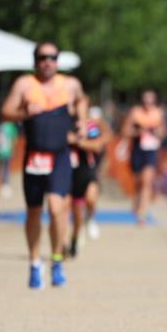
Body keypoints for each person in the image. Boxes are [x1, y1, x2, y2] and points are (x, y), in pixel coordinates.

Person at [0, 41, 86, 289]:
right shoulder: (25, 84)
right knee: (34, 211)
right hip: (34, 157)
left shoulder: (69, 84)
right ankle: (35, 262)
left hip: (59, 155)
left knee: (57, 208)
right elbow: (5, 111)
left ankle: (57, 259)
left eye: (52, 57)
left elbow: (82, 101)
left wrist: (81, 122)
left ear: (58, 61)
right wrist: (25, 113)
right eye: (42, 58)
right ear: (35, 61)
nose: (47, 62)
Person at [67, 99, 110, 257]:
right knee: (72, 212)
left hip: (87, 169)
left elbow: (97, 145)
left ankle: (90, 219)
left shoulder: (90, 126)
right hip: (68, 171)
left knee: (90, 199)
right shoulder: (64, 123)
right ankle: (72, 238)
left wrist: (76, 141)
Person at [122, 88, 166, 223]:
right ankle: (136, 201)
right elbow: (125, 130)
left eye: (150, 100)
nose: (147, 103)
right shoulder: (135, 112)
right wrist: (138, 131)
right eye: (145, 100)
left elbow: (164, 133)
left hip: (151, 150)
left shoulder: (158, 113)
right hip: (137, 149)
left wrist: (157, 131)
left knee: (147, 182)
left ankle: (142, 214)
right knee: (138, 181)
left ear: (154, 100)